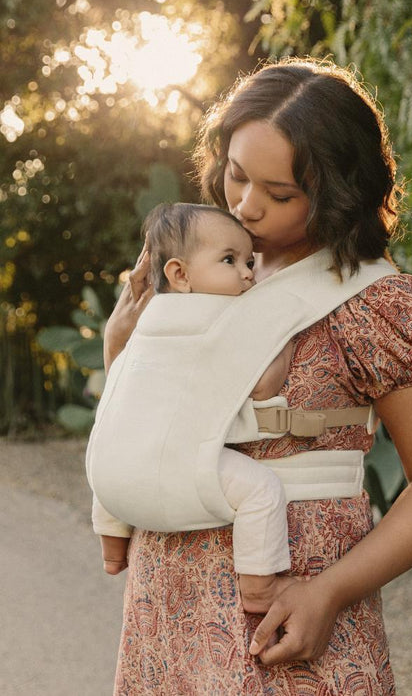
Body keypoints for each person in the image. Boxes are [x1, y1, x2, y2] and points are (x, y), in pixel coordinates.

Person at [103, 57, 412, 694]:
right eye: (237, 175)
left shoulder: (373, 304)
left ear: (338, 191)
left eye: (280, 195)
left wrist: (330, 592)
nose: (246, 208)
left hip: (292, 613)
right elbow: (149, 421)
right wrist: (120, 348)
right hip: (166, 607)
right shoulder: (192, 268)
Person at [92, 201, 296, 613]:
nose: (246, 273)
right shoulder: (225, 318)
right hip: (180, 469)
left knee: (119, 447)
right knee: (262, 491)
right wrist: (283, 339)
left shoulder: (145, 318)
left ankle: (113, 551)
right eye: (229, 260)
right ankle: (258, 589)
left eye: (249, 262)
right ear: (180, 274)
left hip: (107, 475)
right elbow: (262, 389)